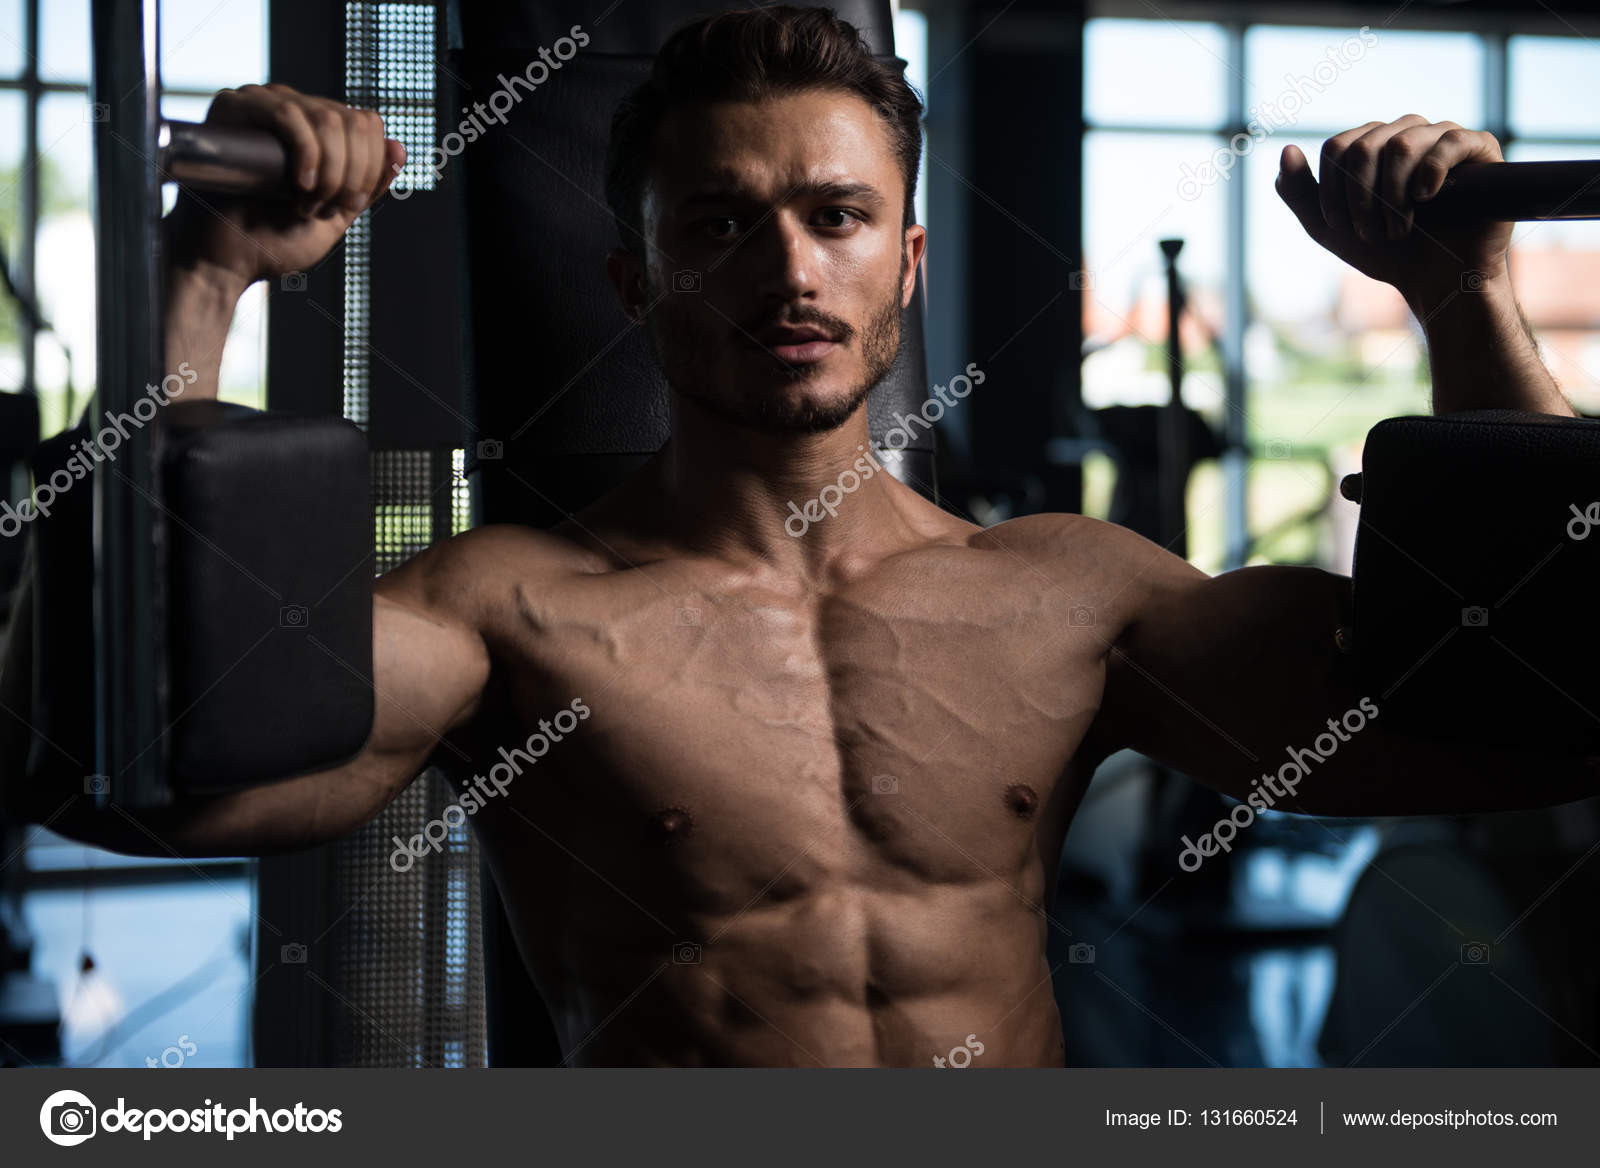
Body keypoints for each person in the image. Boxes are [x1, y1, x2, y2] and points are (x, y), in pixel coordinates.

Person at [2, 6, 1593, 1067]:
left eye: (834, 219)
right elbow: (135, 772)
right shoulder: (512, 616)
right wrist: (199, 280)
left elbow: (1510, 717)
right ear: (633, 286)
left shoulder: (1073, 597)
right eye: (717, 224)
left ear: (902, 263)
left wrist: (1467, 300)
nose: (787, 270)